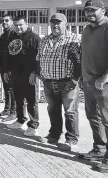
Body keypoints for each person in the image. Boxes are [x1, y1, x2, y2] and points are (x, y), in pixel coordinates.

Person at [78, 0, 108, 173]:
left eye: (93, 10)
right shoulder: (87, 30)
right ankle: (100, 149)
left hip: (106, 83)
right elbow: (86, 55)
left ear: (103, 11)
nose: (89, 13)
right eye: (87, 10)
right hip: (89, 81)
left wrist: (105, 76)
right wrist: (82, 77)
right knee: (93, 116)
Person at [35, 13, 81, 151]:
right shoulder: (44, 40)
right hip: (49, 82)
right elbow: (38, 58)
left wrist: (74, 79)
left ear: (65, 24)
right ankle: (54, 135)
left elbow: (79, 62)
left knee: (70, 112)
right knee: (53, 109)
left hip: (68, 83)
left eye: (59, 22)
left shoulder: (73, 39)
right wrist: (41, 75)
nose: (55, 25)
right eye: (53, 22)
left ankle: (71, 139)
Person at [5, 16, 41, 138]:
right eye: (16, 25)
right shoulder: (12, 37)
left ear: (26, 24)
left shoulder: (34, 38)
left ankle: (33, 125)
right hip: (16, 74)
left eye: (21, 25)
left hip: (29, 74)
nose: (18, 27)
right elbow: (9, 56)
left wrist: (35, 72)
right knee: (18, 99)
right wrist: (7, 70)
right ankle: (20, 120)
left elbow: (39, 57)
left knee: (31, 101)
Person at [0, 14, 18, 122]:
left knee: (12, 89)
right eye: (2, 21)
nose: (4, 23)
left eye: (6, 20)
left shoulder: (15, 34)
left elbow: (14, 52)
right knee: (6, 89)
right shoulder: (3, 36)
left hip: (12, 67)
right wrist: (0, 66)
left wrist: (11, 68)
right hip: (4, 66)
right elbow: (1, 52)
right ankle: (7, 109)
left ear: (12, 22)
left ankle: (13, 112)